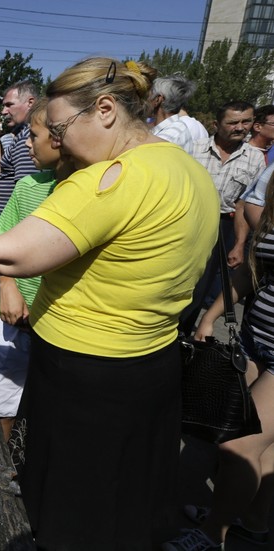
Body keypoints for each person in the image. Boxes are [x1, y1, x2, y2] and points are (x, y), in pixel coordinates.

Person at [0, 57, 219, 549]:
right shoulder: (186, 169)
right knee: (125, 505)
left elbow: (12, 254)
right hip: (150, 366)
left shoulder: (117, 179)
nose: (56, 143)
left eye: (60, 129)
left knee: (73, 513)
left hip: (89, 376)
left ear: (105, 109)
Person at [164, 163, 274, 551]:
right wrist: (211, 316)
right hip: (256, 340)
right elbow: (253, 270)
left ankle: (214, 534)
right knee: (261, 444)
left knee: (238, 445)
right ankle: (254, 521)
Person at [0, 98, 73, 443]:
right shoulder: (28, 187)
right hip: (13, 322)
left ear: (59, 138)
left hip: (61, 327)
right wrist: (7, 284)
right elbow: (1, 244)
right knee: (2, 404)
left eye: (33, 135)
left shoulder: (86, 192)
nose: (25, 143)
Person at [179, 101, 265, 334]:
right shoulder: (193, 148)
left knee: (201, 288)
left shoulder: (255, 158)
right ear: (216, 124)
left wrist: (238, 244)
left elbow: (242, 205)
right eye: (233, 122)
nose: (240, 127)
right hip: (187, 221)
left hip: (223, 227)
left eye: (246, 122)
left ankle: (183, 339)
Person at [0, 81, 40, 213]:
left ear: (30, 103)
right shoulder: (22, 133)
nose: (3, 112)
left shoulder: (27, 138)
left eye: (9, 105)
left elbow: (27, 191)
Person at [149, 75, 196, 154]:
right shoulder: (175, 128)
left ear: (158, 99)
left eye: (148, 95)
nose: (143, 101)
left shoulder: (168, 136)